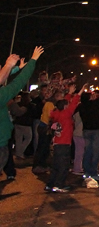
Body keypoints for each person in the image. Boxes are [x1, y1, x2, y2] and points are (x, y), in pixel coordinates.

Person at [0, 47, 44, 177]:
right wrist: (33, 60)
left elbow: (2, 77)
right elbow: (19, 81)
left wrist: (14, 68)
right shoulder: (2, 95)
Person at [45, 83, 84, 192]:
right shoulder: (66, 115)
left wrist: (70, 93)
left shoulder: (57, 113)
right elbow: (74, 103)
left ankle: (50, 184)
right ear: (65, 107)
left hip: (57, 143)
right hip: (64, 143)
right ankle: (59, 185)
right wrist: (79, 92)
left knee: (56, 165)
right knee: (63, 166)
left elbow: (65, 103)